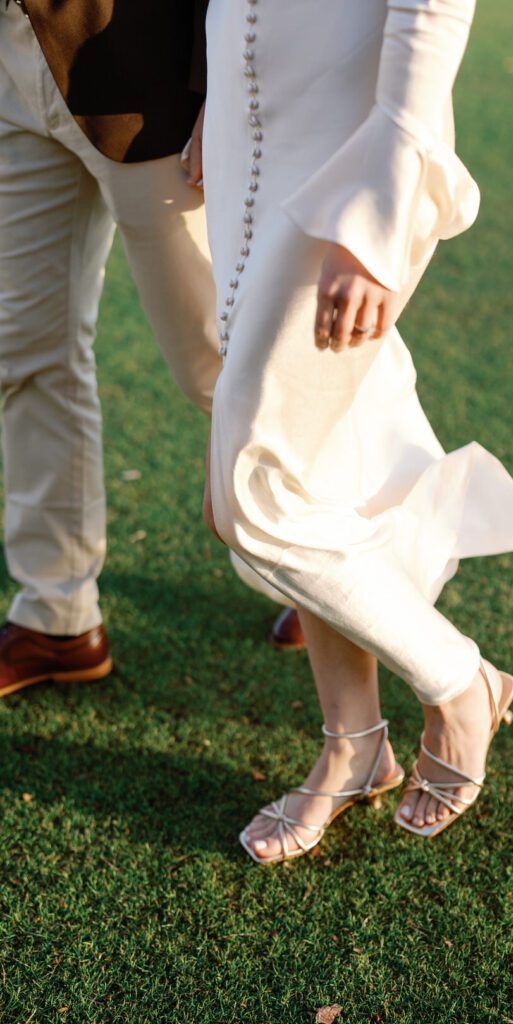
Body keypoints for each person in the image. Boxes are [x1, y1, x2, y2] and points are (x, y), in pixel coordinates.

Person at [202, 0, 513, 862]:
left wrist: (378, 219)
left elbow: (429, 10)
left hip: (355, 160)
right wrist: (228, 91)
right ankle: (353, 745)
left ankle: (459, 681)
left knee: (249, 495)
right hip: (256, 128)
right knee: (321, 472)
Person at [0, 0, 302, 699]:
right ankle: (56, 617)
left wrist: (219, 84)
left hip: (146, 73)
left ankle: (346, 570)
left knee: (221, 357)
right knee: (23, 352)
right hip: (16, 58)